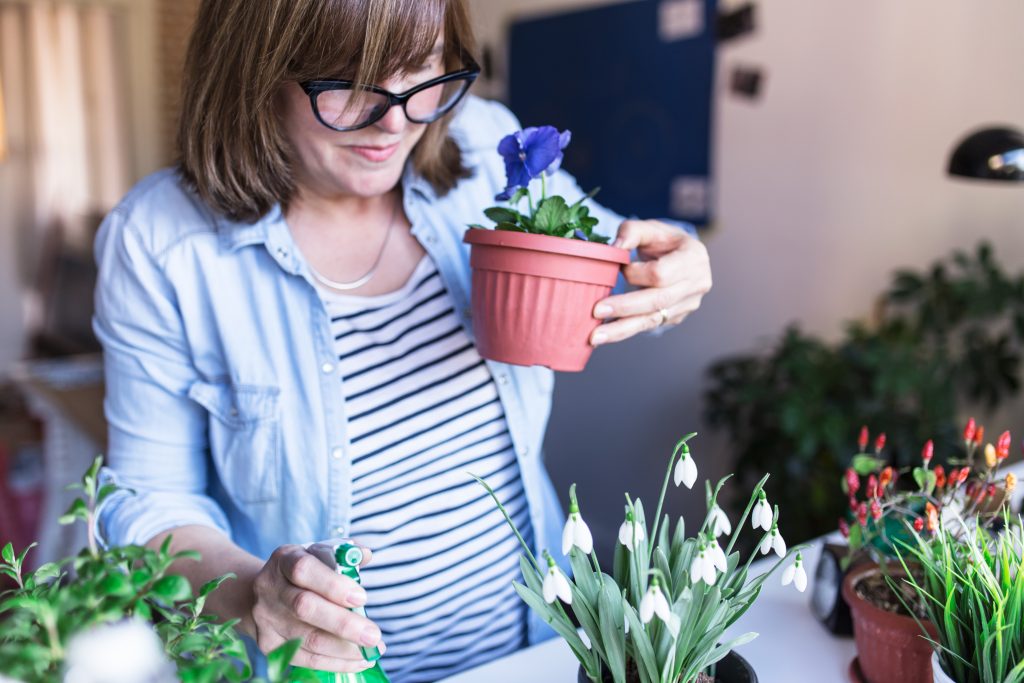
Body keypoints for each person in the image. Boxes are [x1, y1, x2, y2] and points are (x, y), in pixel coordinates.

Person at [92, 0, 712, 680]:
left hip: (536, 649)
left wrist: (674, 270)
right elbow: (150, 499)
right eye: (350, 82)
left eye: (422, 72)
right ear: (255, 69)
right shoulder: (160, 243)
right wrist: (251, 594)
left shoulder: (477, 144)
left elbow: (611, 253)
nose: (395, 122)